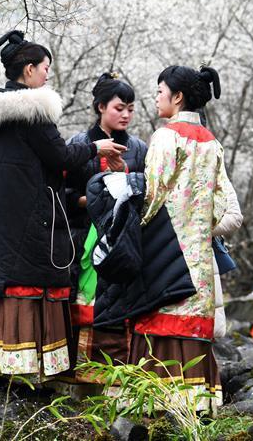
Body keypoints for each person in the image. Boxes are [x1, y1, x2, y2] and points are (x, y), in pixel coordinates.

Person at [0, 30, 127, 380]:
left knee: (11, 281)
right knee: (36, 281)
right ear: (28, 70)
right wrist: (96, 148)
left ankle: (11, 368)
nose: (48, 74)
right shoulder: (34, 111)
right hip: (33, 214)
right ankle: (37, 371)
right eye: (44, 67)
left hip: (0, 213)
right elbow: (61, 155)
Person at [116, 65, 234, 413]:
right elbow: (225, 205)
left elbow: (151, 196)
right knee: (192, 322)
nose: (155, 98)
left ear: (177, 97)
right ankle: (198, 404)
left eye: (159, 91)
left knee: (159, 317)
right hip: (198, 255)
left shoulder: (166, 136)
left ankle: (154, 404)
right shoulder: (212, 143)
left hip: (163, 249)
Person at [64, 73, 148, 378]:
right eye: (119, 108)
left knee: (117, 306)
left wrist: (124, 179)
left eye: (131, 109)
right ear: (100, 107)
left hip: (121, 241)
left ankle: (115, 379)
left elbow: (146, 193)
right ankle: (74, 380)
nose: (126, 115)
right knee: (80, 305)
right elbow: (63, 194)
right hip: (82, 236)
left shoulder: (138, 148)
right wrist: (95, 198)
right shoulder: (79, 144)